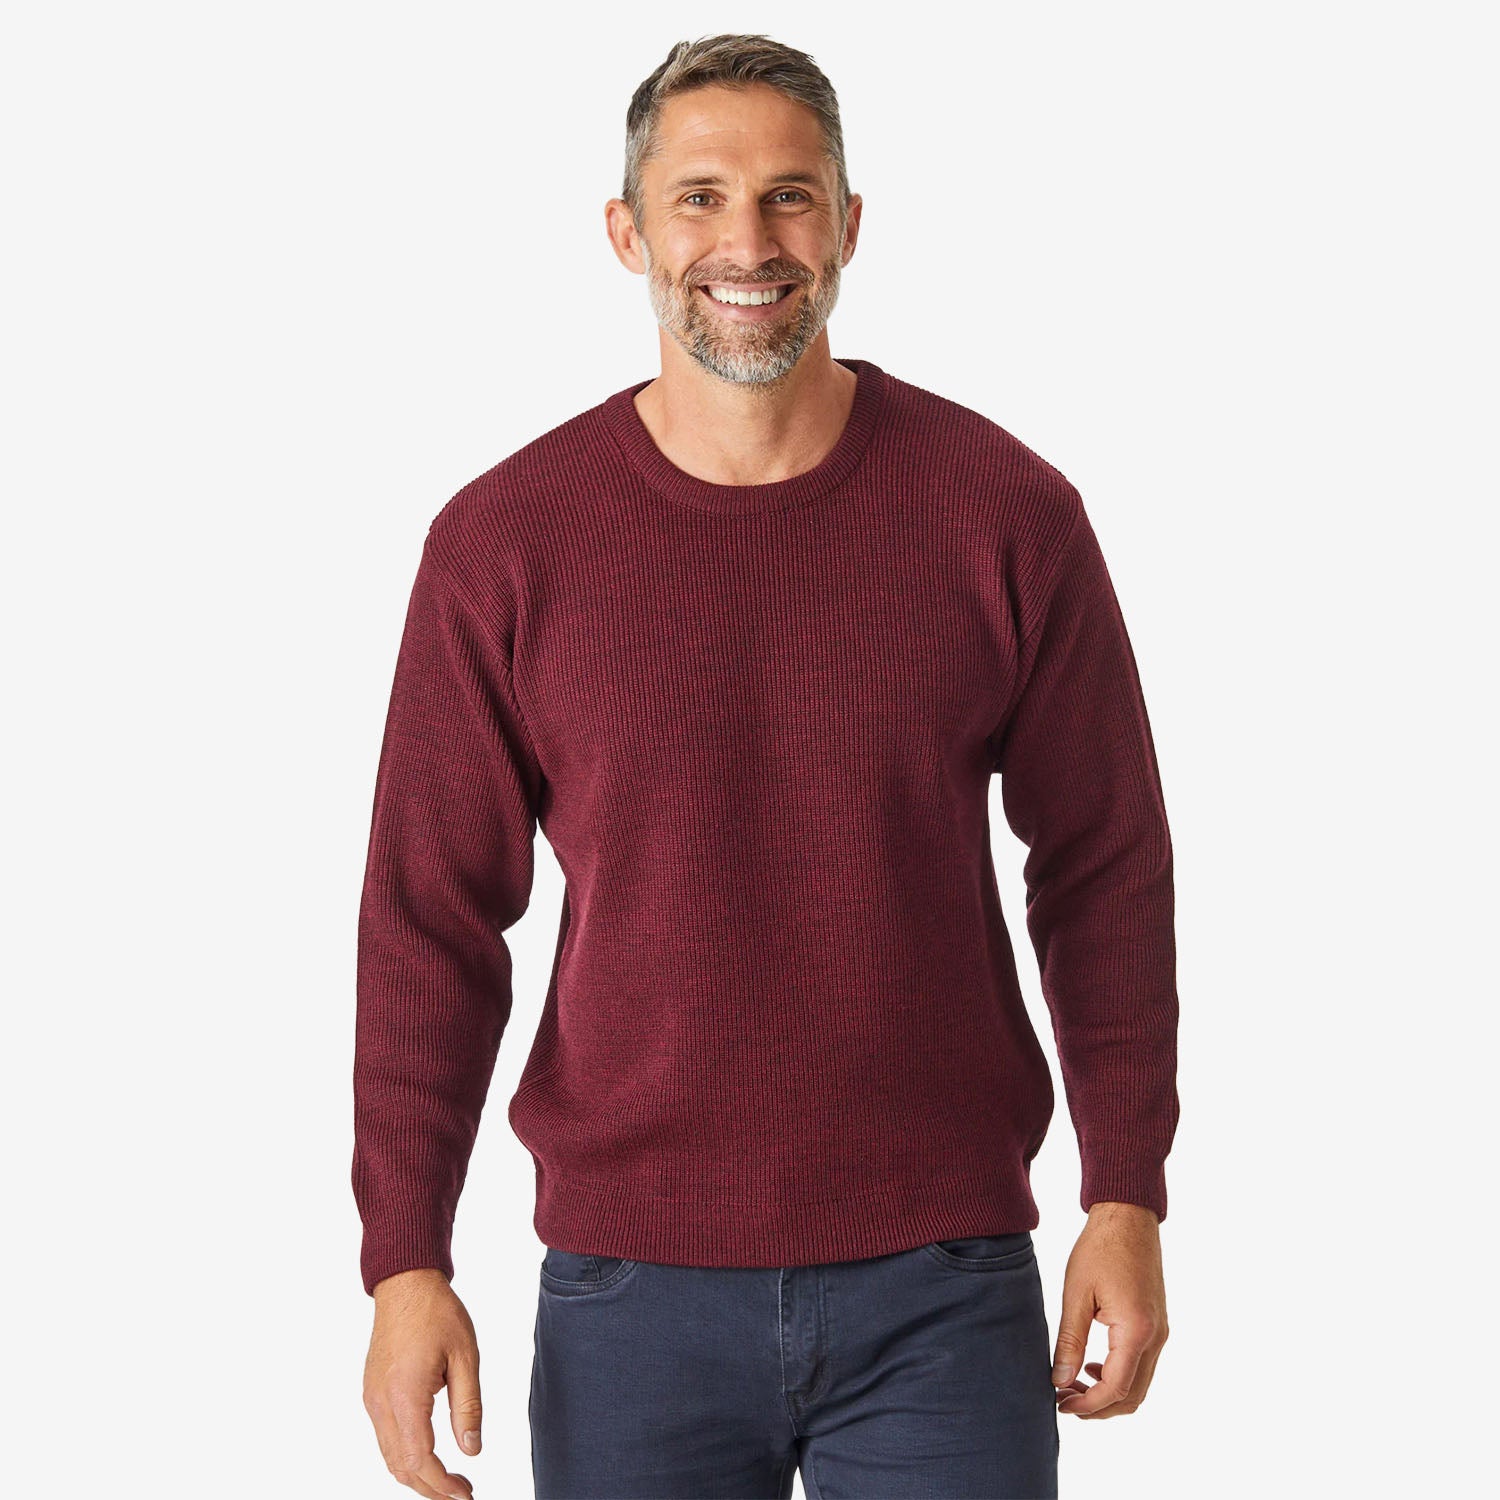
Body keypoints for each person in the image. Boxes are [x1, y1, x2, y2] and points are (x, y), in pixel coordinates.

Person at [353, 31, 1178, 1500]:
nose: (748, 242)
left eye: (791, 196)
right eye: (700, 198)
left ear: (849, 225)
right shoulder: (504, 546)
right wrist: (404, 1257)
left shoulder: (1006, 515)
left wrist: (1126, 1190)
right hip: (630, 1292)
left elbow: (1104, 861)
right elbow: (429, 918)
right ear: (628, 234)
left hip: (942, 1279)